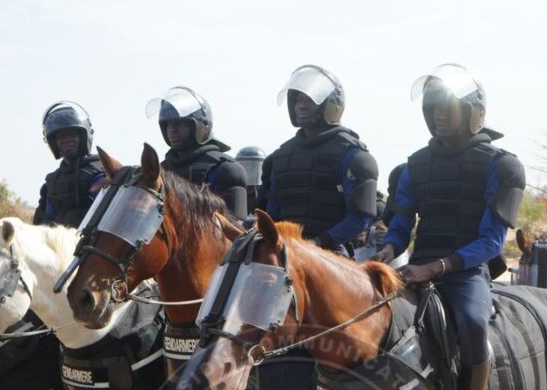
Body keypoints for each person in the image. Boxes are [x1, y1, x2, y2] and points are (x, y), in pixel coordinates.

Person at [374, 64, 525, 390]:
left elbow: (492, 242)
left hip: (465, 273)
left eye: (449, 108)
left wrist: (437, 267)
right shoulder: (413, 166)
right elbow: (402, 224)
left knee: (474, 326)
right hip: (417, 269)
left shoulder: (502, 164)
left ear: (473, 112)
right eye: (434, 108)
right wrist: (387, 250)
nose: (440, 115)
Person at [259, 65, 378, 252]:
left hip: (331, 255)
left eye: (310, 100)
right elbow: (272, 212)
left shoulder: (353, 156)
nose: (302, 105)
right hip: (283, 252)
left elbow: (360, 217)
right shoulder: (280, 158)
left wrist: (316, 244)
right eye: (298, 99)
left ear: (331, 104)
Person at [146, 87, 248, 217]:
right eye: (168, 124)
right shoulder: (161, 172)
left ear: (199, 126)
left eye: (179, 123)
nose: (172, 129)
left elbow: (235, 230)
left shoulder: (225, 170)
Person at [34, 102, 105, 228]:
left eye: (72, 135)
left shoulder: (98, 175)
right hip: (58, 244)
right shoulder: (52, 182)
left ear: (83, 136)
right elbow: (44, 223)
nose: (67, 140)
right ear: (54, 142)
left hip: (92, 244)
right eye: (61, 137)